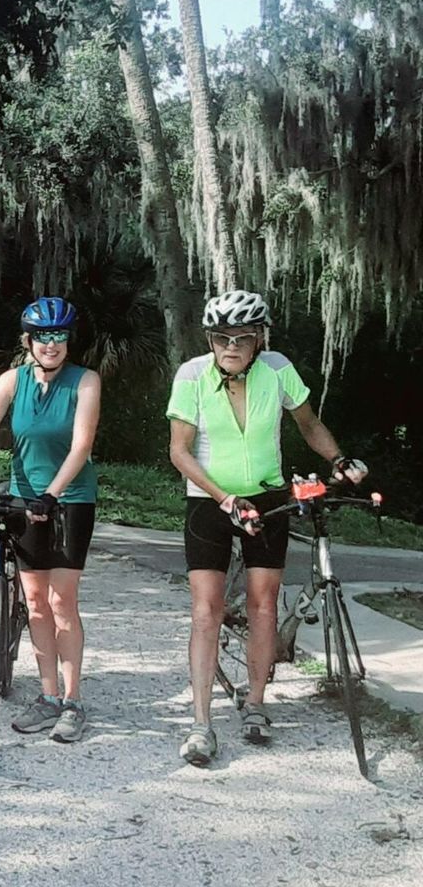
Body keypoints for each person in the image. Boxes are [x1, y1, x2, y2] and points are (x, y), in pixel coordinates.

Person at [167, 289, 369, 766]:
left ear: (260, 338)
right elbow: (179, 451)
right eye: (222, 337)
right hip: (210, 500)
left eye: (242, 337)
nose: (231, 346)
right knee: (206, 610)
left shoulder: (277, 369)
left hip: (267, 496)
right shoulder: (192, 374)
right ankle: (201, 723)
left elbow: (309, 424)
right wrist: (224, 498)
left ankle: (256, 703)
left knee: (263, 604)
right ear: (210, 339)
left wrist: (340, 460)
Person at [0, 297, 101, 744]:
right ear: (28, 341)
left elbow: (82, 445)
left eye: (59, 336)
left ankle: (73, 701)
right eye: (42, 337)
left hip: (70, 498)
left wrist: (52, 494)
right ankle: (48, 695)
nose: (51, 344)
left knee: (61, 601)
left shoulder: (85, 381)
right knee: (35, 601)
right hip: (22, 497)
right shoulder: (12, 380)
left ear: (68, 340)